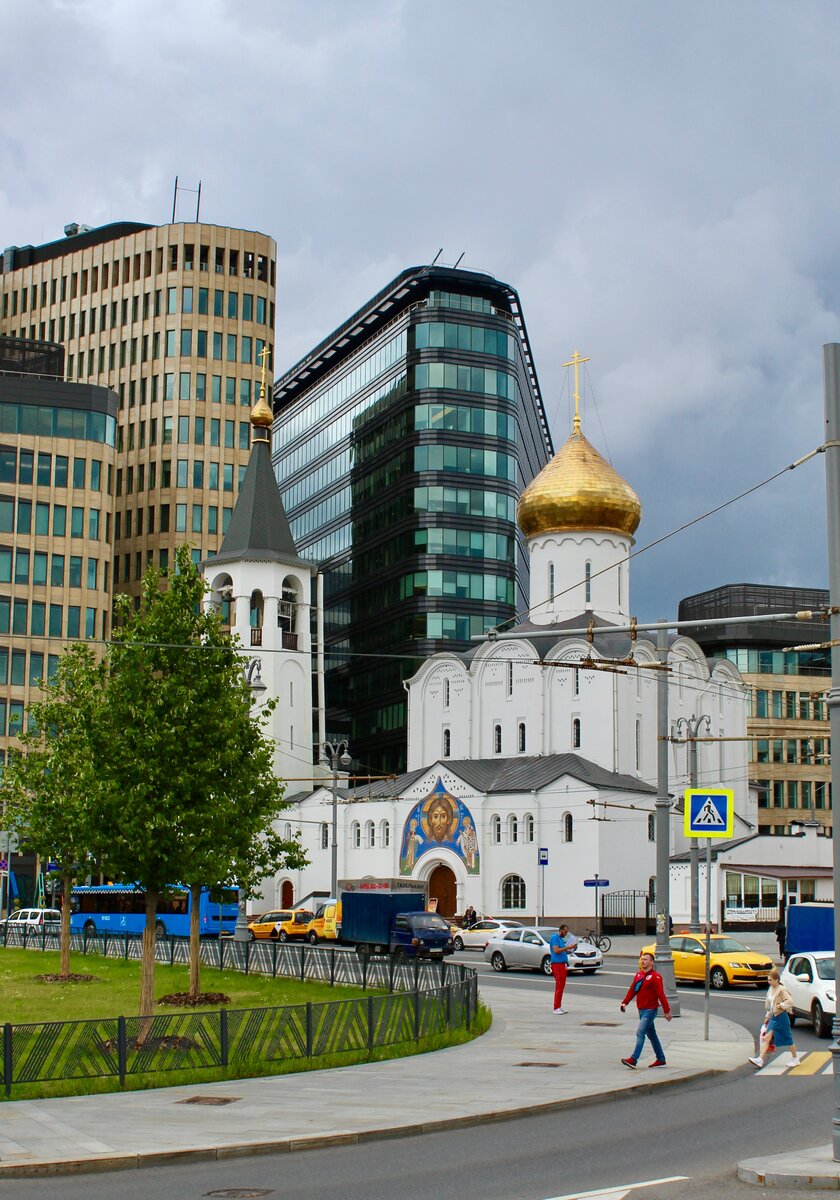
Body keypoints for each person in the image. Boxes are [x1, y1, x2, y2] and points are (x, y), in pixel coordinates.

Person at [620, 950, 672, 1068]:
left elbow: (661, 995)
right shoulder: (639, 975)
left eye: (645, 960)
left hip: (650, 1010)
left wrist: (667, 1010)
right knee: (652, 1035)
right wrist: (625, 1002)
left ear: (652, 963)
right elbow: (633, 990)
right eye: (642, 959)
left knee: (640, 1032)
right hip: (641, 1009)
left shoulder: (655, 977)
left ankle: (633, 1059)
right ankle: (661, 1058)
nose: (643, 961)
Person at [749, 967, 800, 1069]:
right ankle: (760, 1059)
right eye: (768, 980)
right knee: (766, 1038)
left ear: (777, 980)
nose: (769, 982)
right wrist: (768, 1016)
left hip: (781, 1017)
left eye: (770, 980)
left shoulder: (782, 990)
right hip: (773, 1017)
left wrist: (781, 1005)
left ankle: (795, 1059)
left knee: (788, 1039)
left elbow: (790, 1001)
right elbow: (770, 1005)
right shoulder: (770, 989)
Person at [549, 924, 574, 1014]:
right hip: (557, 964)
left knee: (562, 985)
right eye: (565, 932)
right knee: (559, 985)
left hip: (562, 964)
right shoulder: (554, 938)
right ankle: (556, 1007)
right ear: (561, 930)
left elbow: (564, 950)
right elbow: (556, 950)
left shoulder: (560, 939)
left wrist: (572, 948)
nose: (566, 934)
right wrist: (566, 947)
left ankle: (559, 1006)